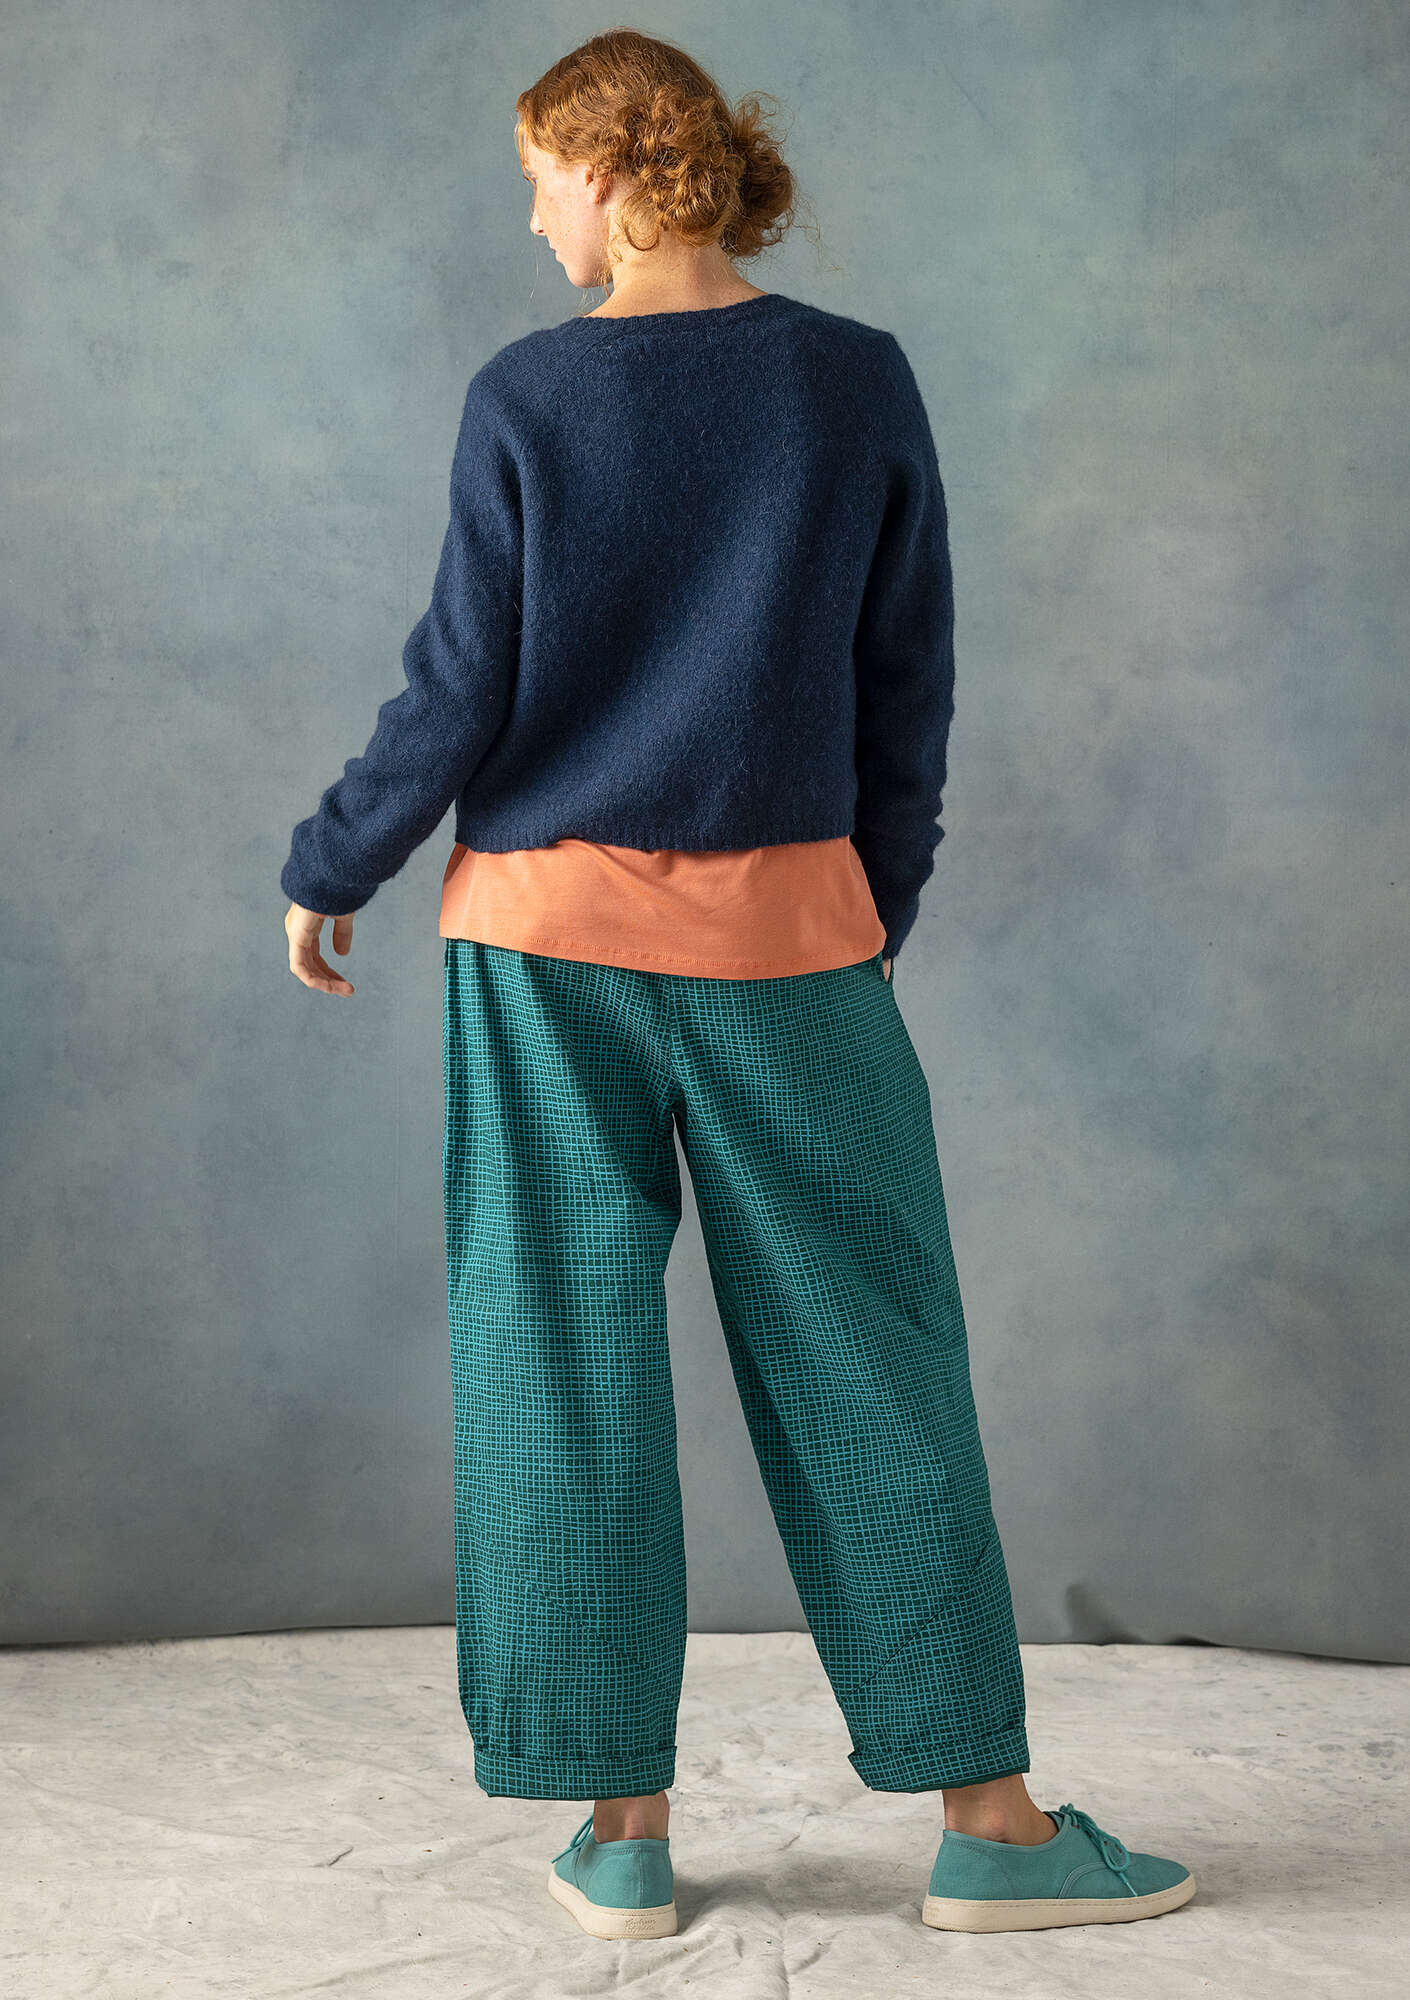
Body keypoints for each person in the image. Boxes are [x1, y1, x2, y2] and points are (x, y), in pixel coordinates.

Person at [282, 27, 1195, 1945]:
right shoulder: (854, 382)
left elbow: (459, 685)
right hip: (795, 942)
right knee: (870, 1352)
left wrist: (331, 859)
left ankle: (618, 1835)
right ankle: (991, 1828)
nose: (533, 217)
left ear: (616, 166)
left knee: (555, 1355)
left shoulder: (529, 396)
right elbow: (905, 690)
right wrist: (863, 907)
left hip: (541, 948)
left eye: (540, 177)